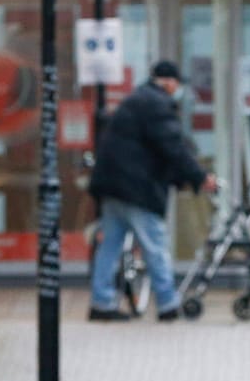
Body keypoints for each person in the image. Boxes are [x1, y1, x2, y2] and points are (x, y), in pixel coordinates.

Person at [87, 60, 217, 321]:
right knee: (155, 245)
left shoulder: (137, 99)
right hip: (137, 188)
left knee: (110, 246)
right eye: (177, 85)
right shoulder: (157, 104)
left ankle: (101, 303)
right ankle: (168, 304)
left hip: (114, 186)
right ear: (169, 82)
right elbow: (173, 147)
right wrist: (199, 176)